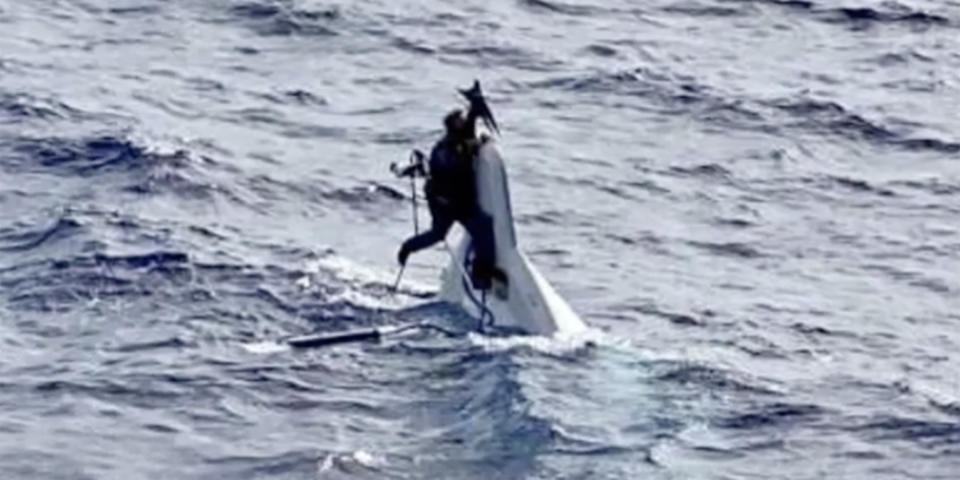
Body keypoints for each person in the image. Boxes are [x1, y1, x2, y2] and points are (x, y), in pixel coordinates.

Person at [394, 84, 499, 290]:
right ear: (453, 128)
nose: (464, 122)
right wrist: (473, 148)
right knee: (441, 234)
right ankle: (408, 248)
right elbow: (452, 171)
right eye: (460, 121)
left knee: (482, 227)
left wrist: (476, 103)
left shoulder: (464, 134)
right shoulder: (444, 150)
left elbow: (473, 119)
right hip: (446, 202)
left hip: (462, 200)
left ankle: (482, 273)